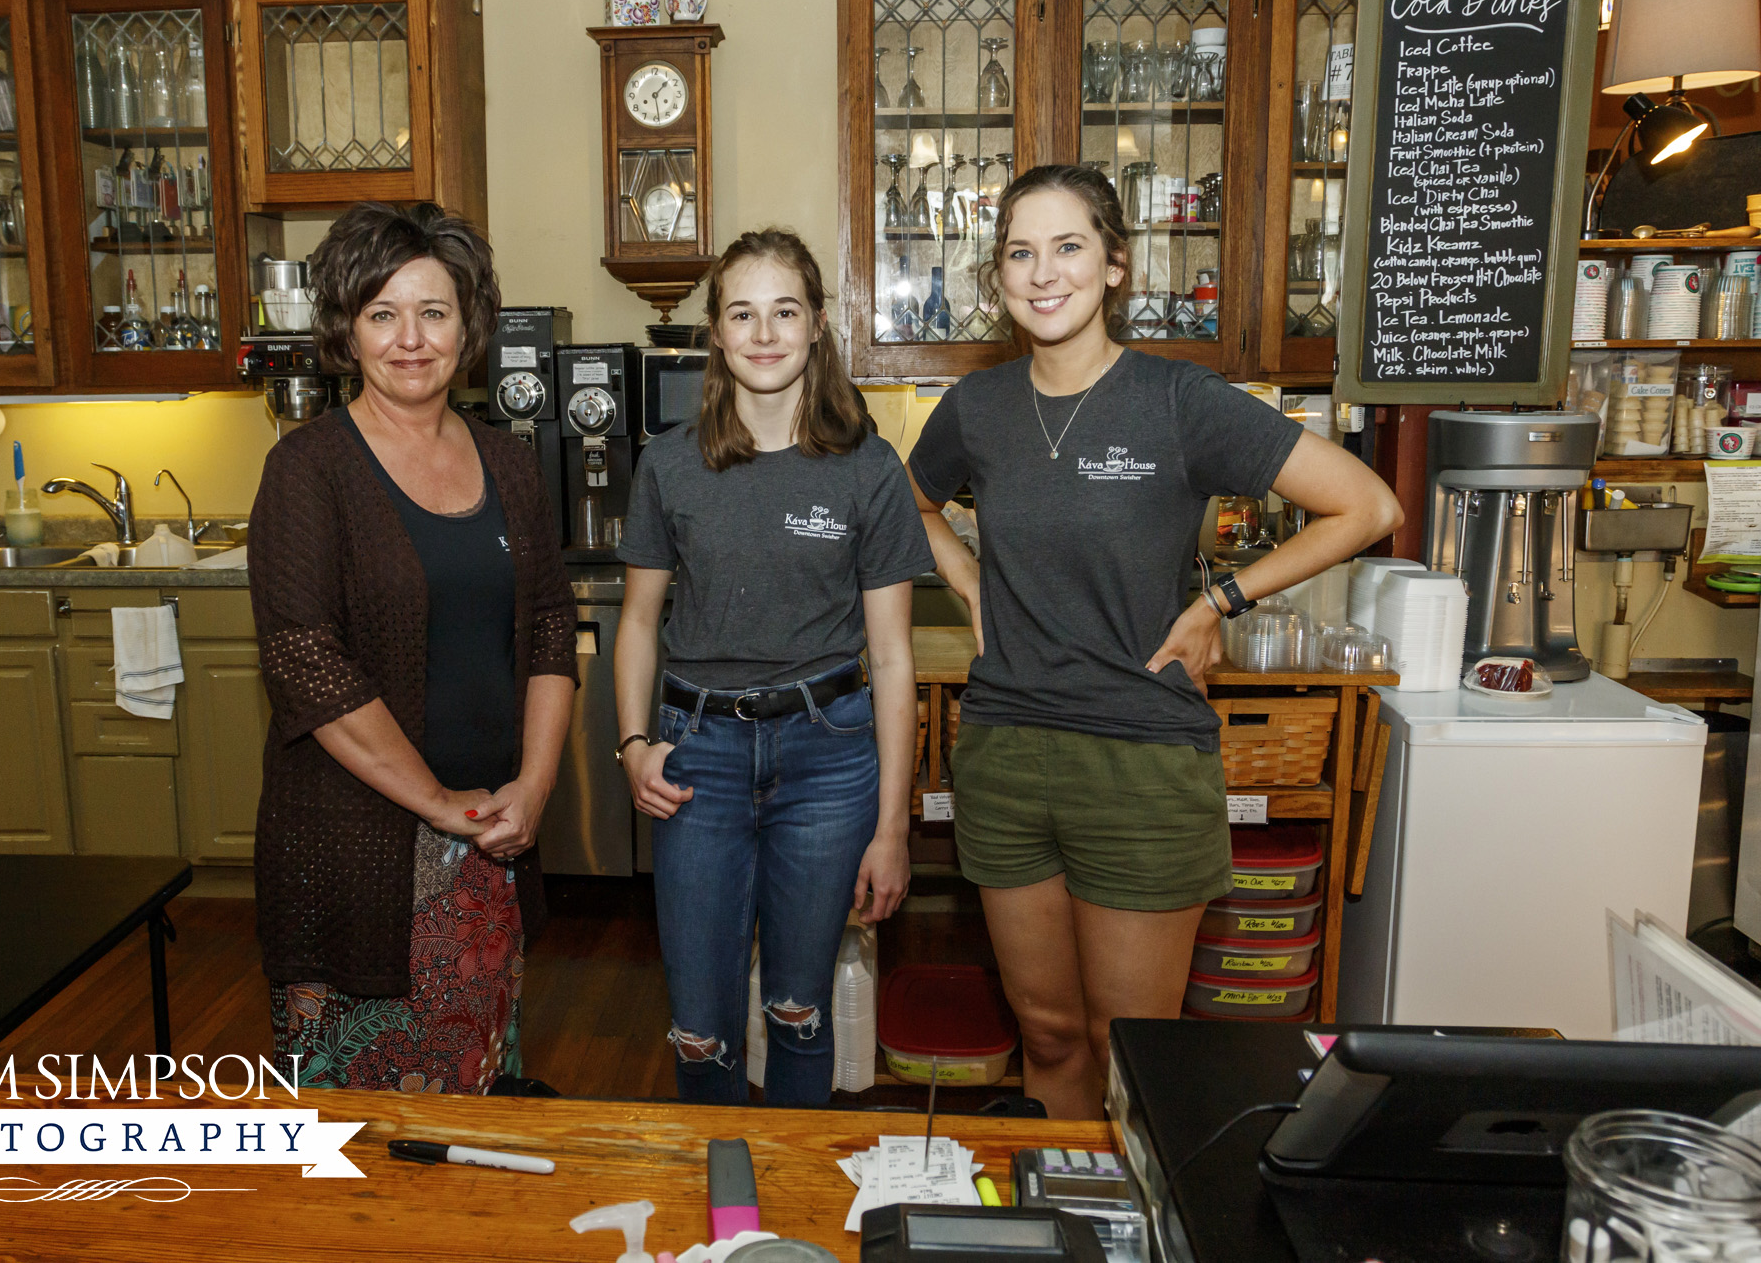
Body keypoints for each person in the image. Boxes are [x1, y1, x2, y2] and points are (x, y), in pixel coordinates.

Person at [906, 164, 1403, 1119]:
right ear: (997, 274)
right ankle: (1067, 1208)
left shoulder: (1180, 400)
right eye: (1019, 251)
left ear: (1116, 266)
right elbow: (911, 500)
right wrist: (968, 578)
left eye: (1068, 247)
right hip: (1005, 755)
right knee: (1047, 1033)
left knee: (1128, 1049)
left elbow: (1366, 504)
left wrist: (1222, 597)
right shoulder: (980, 407)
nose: (1042, 273)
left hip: (1140, 756)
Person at [248, 201, 577, 1093]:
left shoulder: (508, 462)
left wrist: (534, 787)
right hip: (361, 854)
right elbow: (305, 661)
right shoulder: (308, 469)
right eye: (382, 314)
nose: (410, 339)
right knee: (364, 1128)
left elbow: (550, 622)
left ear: (467, 325)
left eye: (433, 312)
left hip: (494, 836)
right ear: (347, 330)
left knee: (476, 1091)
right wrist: (437, 802)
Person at [614, 228, 933, 1106]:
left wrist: (892, 826)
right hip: (695, 756)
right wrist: (634, 743)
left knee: (800, 1008)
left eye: (784, 312)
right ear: (715, 332)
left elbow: (895, 654)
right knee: (700, 1026)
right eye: (742, 313)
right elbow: (639, 621)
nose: (764, 333)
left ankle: (783, 1214)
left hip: (829, 760)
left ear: (818, 326)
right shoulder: (670, 463)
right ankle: (716, 1215)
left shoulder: (868, 469)